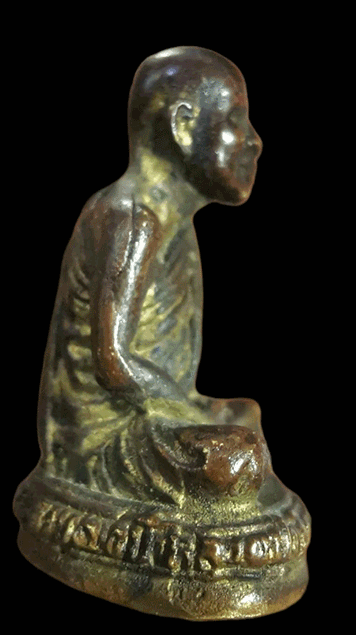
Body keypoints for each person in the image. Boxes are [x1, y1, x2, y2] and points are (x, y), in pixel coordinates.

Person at [36, 46, 268, 500]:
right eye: (236, 122)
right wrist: (188, 414)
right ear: (183, 126)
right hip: (101, 437)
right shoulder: (132, 217)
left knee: (246, 417)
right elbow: (113, 361)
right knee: (237, 458)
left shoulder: (173, 221)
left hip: (153, 414)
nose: (255, 141)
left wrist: (193, 411)